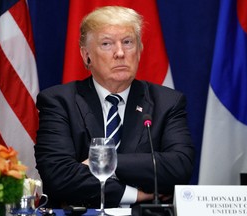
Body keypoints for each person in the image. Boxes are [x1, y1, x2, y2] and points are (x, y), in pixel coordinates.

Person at [34, 6, 195, 208]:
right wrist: (135, 195)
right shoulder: (59, 101)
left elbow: (179, 167)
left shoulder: (167, 102)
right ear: (86, 56)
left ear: (139, 50)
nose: (120, 53)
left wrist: (103, 162)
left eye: (128, 42)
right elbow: (59, 176)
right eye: (107, 44)